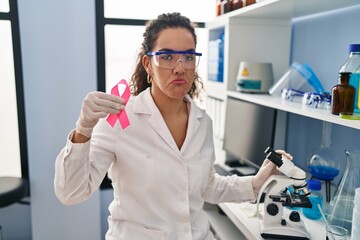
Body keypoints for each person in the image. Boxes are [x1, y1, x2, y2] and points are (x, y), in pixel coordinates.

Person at [54, 12, 292, 240]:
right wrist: (83, 129)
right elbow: (71, 193)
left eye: (188, 57)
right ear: (148, 64)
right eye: (167, 56)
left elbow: (207, 186)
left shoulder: (202, 122)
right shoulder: (120, 120)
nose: (180, 67)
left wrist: (256, 183)